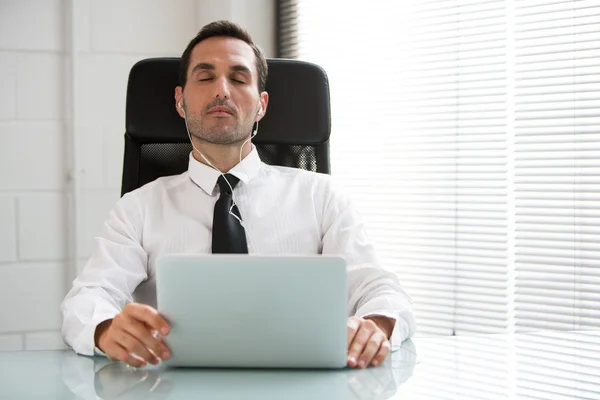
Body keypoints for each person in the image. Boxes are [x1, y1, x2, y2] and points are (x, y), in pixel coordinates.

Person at [61, 20, 416, 370]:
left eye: (239, 78)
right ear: (180, 101)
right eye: (205, 77)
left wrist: (375, 326)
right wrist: (106, 329)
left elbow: (382, 290)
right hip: (173, 388)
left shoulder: (322, 197)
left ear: (261, 104)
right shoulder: (137, 209)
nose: (222, 91)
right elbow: (87, 299)